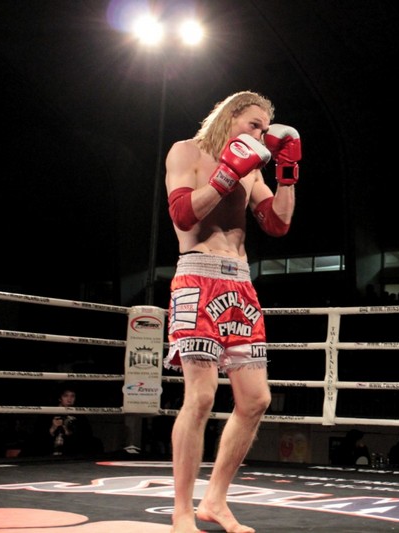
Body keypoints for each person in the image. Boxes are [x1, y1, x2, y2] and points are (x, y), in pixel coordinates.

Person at [163, 90, 300, 533]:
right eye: (254, 124)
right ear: (230, 115)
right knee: (201, 396)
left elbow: (277, 224)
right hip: (197, 278)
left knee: (256, 400)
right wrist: (227, 173)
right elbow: (183, 215)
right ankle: (182, 510)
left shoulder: (254, 168)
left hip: (240, 285)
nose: (262, 134)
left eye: (266, 128)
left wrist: (287, 172)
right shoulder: (186, 152)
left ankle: (215, 501)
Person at [35, 386, 99, 457]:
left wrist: (68, 432)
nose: (69, 400)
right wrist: (52, 429)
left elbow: (86, 439)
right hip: (47, 455)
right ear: (59, 398)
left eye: (72, 396)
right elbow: (37, 438)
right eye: (65, 396)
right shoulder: (47, 414)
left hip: (70, 456)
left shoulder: (80, 417)